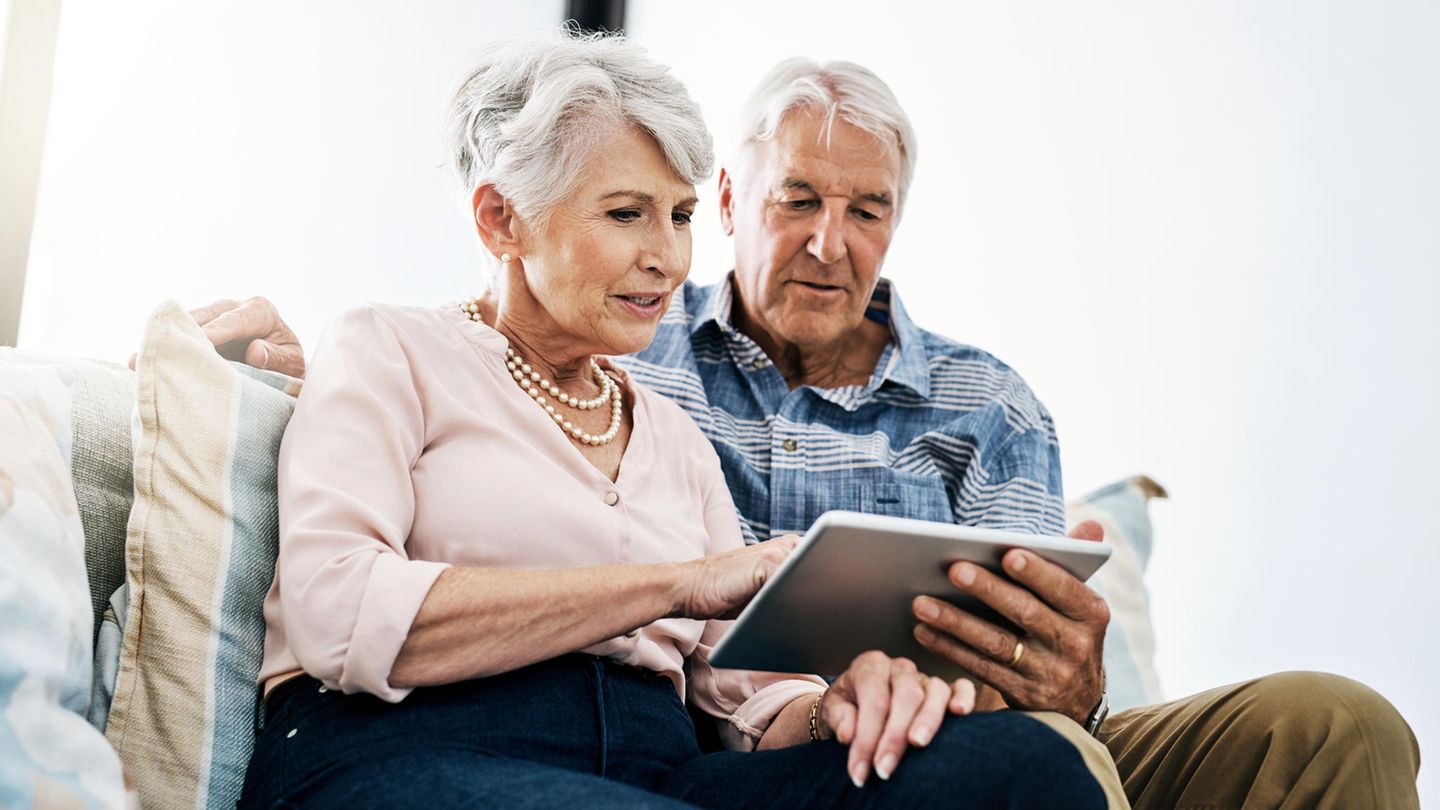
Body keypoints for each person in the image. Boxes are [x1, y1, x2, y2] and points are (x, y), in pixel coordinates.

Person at [208, 54, 1419, 810]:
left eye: (669, 217)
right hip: (437, 742)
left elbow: (739, 691)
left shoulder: (684, 424)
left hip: (733, 744)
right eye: (793, 201)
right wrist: (688, 583)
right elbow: (339, 594)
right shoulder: (452, 345)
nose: (661, 254)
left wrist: (839, 704)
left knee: (1057, 761)